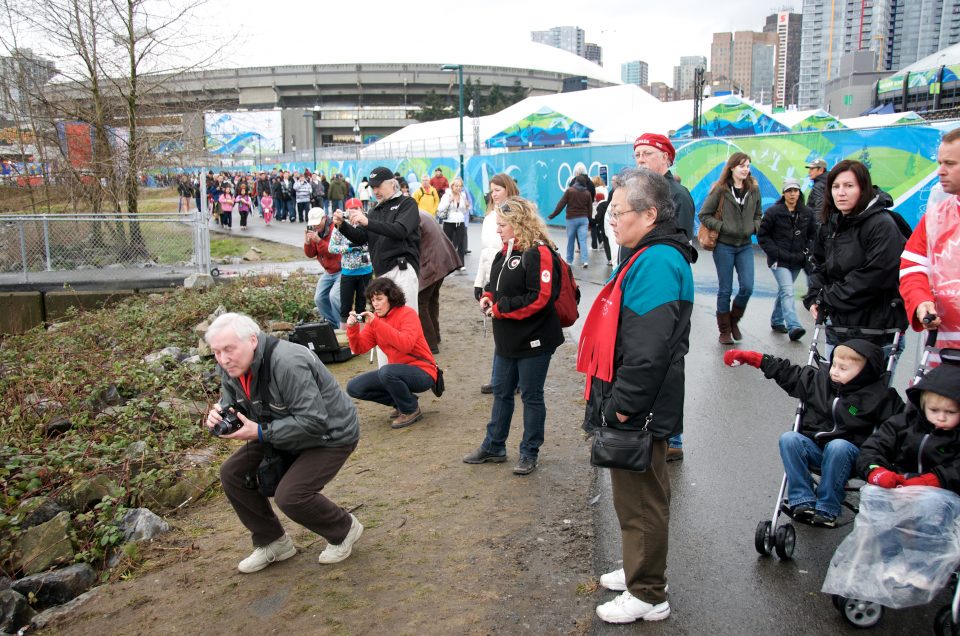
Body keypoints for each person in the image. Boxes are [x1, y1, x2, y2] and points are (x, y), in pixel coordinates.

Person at [577, 168, 695, 624]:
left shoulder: (659, 261)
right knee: (634, 496)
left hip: (641, 405)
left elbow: (649, 351)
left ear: (649, 214)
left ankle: (648, 593)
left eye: (618, 211)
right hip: (640, 400)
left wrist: (624, 405)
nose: (611, 219)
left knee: (642, 499)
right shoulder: (647, 254)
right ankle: (636, 569)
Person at [204, 313, 362, 573]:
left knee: (291, 495)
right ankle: (273, 542)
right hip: (276, 427)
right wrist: (220, 413)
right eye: (216, 352)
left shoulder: (288, 362)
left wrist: (261, 432)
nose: (223, 359)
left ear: (252, 340)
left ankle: (344, 529)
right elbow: (231, 401)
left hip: (330, 435)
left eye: (229, 349)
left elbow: (314, 422)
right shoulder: (231, 366)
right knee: (232, 473)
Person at [724, 339, 904, 527]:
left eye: (843, 368)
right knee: (790, 438)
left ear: (864, 373)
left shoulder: (879, 396)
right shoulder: (820, 381)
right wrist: (752, 358)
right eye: (834, 364)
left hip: (853, 457)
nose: (834, 371)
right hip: (818, 449)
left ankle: (828, 507)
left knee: (838, 445)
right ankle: (802, 500)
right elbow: (787, 372)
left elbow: (901, 427)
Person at [462, 196, 564, 476]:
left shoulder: (540, 252)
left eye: (503, 224)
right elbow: (497, 287)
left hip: (535, 339)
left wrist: (501, 308)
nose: (498, 229)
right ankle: (494, 445)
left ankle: (529, 452)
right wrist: (487, 297)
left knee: (531, 396)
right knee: (502, 392)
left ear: (519, 224)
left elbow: (540, 298)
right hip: (507, 338)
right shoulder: (504, 251)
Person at [803, 160, 909, 353]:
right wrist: (813, 296)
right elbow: (820, 265)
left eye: (849, 186)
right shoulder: (831, 224)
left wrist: (826, 296)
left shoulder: (882, 225)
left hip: (877, 330)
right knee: (830, 382)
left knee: (868, 384)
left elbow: (875, 276)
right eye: (835, 186)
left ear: (863, 188)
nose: (841, 192)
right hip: (838, 326)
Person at [346, 278, 438, 429]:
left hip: (424, 371)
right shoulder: (376, 319)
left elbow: (406, 345)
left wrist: (377, 324)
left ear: (391, 297)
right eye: (373, 299)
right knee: (354, 387)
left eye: (379, 299)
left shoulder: (407, 314)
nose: (375, 304)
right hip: (396, 372)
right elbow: (359, 348)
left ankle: (410, 410)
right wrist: (353, 328)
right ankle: (404, 402)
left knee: (387, 371)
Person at [900, 128, 960, 353]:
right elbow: (912, 267)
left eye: (950, 164)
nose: (940, 172)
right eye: (939, 163)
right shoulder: (935, 217)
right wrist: (921, 302)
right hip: (942, 348)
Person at [334, 166, 421, 315]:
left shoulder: (407, 203)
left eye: (378, 186)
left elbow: (400, 230)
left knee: (407, 317)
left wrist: (367, 222)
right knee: (386, 320)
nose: (375, 191)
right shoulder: (375, 210)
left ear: (392, 183)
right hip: (381, 273)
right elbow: (361, 238)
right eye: (373, 187)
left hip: (402, 269)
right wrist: (342, 226)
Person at [698, 152, 762, 345]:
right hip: (724, 246)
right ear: (732, 167)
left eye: (748, 165)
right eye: (742, 165)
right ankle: (724, 330)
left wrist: (754, 227)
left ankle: (734, 320)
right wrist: (723, 227)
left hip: (744, 246)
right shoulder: (721, 189)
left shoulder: (753, 189)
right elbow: (704, 215)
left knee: (747, 287)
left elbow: (758, 214)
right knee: (725, 289)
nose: (746, 169)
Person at [474, 173, 519, 394]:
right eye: (492, 190)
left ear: (508, 189)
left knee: (514, 328)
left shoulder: (518, 213)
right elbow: (486, 252)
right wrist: (480, 281)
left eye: (498, 189)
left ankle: (511, 378)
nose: (494, 194)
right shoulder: (490, 216)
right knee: (500, 329)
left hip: (513, 274)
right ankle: (500, 377)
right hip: (494, 276)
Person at [757, 177, 817, 341]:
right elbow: (763, 236)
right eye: (789, 191)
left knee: (785, 291)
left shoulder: (806, 213)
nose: (792, 194)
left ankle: (777, 321)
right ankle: (794, 326)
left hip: (798, 260)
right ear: (783, 193)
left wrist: (807, 251)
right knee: (788, 290)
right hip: (779, 261)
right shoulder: (773, 212)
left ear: (799, 192)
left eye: (795, 190)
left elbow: (813, 234)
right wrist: (774, 252)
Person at [632, 133, 695, 239]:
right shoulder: (636, 191)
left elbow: (682, 241)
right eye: (637, 155)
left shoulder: (679, 194)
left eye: (647, 153)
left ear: (664, 157)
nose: (640, 160)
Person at [418, 210, 462, 353]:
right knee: (431, 299)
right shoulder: (420, 213)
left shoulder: (412, 217)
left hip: (434, 262)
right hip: (442, 259)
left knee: (421, 302)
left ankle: (430, 343)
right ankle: (435, 337)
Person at [329, 198, 373, 329]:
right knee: (345, 307)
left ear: (361, 210)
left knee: (362, 305)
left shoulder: (366, 223)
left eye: (356, 209)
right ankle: (345, 335)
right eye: (351, 210)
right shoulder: (340, 225)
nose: (353, 212)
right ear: (346, 211)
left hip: (366, 270)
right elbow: (331, 248)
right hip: (348, 272)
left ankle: (362, 334)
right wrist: (348, 247)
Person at [304, 208, 342, 326]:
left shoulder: (335, 229)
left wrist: (319, 241)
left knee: (334, 297)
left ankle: (342, 325)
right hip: (328, 271)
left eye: (317, 222)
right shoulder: (315, 232)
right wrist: (308, 243)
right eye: (313, 223)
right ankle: (332, 323)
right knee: (319, 298)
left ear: (324, 218)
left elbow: (334, 251)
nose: (315, 226)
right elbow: (311, 254)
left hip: (341, 270)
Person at [548, 174, 593, 268]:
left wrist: (553, 215)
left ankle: (569, 261)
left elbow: (561, 204)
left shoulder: (570, 191)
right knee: (583, 241)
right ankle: (585, 261)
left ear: (576, 181)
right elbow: (590, 208)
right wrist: (590, 220)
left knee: (571, 240)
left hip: (571, 219)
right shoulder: (587, 193)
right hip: (583, 219)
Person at [436, 176, 470, 268]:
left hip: (460, 222)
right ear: (452, 186)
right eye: (456, 186)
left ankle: (461, 264)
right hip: (449, 222)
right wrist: (448, 201)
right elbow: (440, 208)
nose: (458, 188)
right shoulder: (447, 195)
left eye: (460, 186)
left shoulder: (462, 196)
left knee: (461, 244)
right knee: (447, 243)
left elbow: (463, 211)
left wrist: (466, 206)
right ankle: (446, 264)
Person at [589, 175, 611, 266]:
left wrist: (592, 221)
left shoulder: (597, 191)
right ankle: (600, 242)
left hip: (598, 215)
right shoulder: (605, 189)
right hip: (606, 217)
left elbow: (597, 217)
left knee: (597, 230)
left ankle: (595, 246)